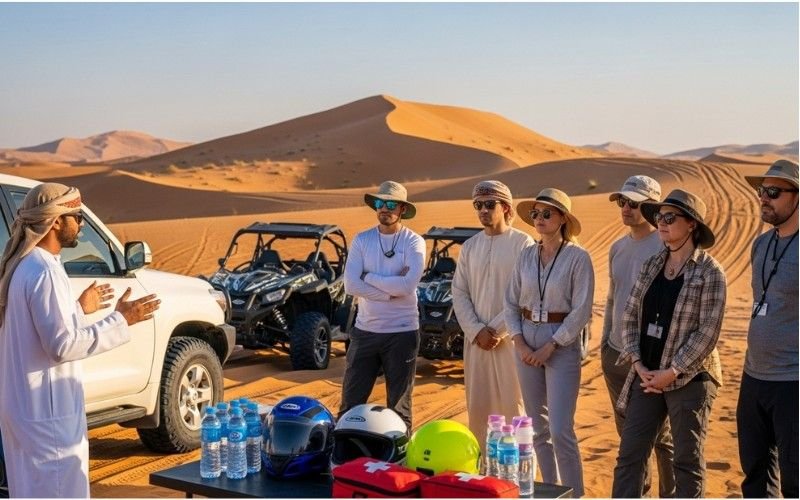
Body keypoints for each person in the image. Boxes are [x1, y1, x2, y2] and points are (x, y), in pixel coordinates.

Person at [0, 183, 161, 498]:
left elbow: (37, 331)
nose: (81, 225)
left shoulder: (26, 266)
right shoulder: (44, 271)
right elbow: (62, 345)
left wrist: (77, 309)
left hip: (28, 414)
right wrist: (121, 320)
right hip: (47, 420)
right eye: (77, 217)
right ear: (56, 221)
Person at [611, 189, 725, 498]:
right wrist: (637, 363)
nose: (661, 222)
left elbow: (707, 332)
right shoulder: (652, 264)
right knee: (630, 455)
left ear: (691, 225)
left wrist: (672, 371)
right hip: (647, 374)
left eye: (670, 217)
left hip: (690, 377)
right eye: (660, 217)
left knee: (686, 462)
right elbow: (630, 315)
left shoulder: (710, 272)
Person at [505, 188, 593, 497]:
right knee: (537, 428)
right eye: (535, 214)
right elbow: (510, 302)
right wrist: (518, 342)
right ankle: (550, 492)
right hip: (525, 337)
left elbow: (581, 310)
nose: (539, 219)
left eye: (547, 214)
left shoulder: (578, 258)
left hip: (560, 342)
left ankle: (574, 494)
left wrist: (551, 346)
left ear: (563, 219)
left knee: (560, 429)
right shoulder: (526, 255)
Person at [602, 176, 675, 497]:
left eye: (634, 203)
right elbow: (612, 298)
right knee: (629, 440)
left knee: (662, 437)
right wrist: (605, 346)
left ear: (652, 208)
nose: (626, 208)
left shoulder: (666, 246)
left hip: (653, 361)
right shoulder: (617, 248)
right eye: (622, 202)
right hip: (616, 356)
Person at [451, 180, 533, 452]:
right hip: (477, 342)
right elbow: (459, 292)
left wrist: (496, 330)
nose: (483, 210)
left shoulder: (523, 243)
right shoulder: (470, 246)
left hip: (511, 340)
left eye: (489, 204)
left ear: (505, 207)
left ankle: (517, 469)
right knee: (479, 409)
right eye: (478, 205)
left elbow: (525, 294)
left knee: (514, 407)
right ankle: (482, 470)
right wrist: (476, 330)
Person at [341, 180, 425, 430]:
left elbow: (407, 287)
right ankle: (343, 450)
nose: (384, 209)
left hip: (402, 332)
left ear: (402, 209)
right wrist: (390, 292)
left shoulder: (413, 242)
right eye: (380, 203)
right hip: (365, 331)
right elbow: (350, 285)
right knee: (350, 403)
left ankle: (399, 451)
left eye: (391, 204)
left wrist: (368, 277)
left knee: (399, 406)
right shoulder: (362, 240)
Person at [737, 159, 798, 498]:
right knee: (755, 474)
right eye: (762, 191)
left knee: (795, 479)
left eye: (773, 192)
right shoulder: (760, 244)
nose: (764, 198)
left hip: (793, 380)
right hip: (754, 376)